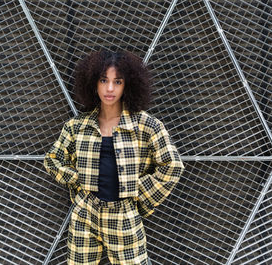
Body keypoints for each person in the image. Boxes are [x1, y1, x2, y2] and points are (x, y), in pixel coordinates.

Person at [44, 50, 184, 264]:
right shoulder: (77, 127)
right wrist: (78, 180)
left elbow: (172, 166)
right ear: (93, 83)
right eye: (103, 80)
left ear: (128, 84)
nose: (110, 89)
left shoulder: (146, 126)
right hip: (85, 214)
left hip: (124, 216)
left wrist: (138, 195)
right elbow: (53, 159)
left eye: (117, 81)